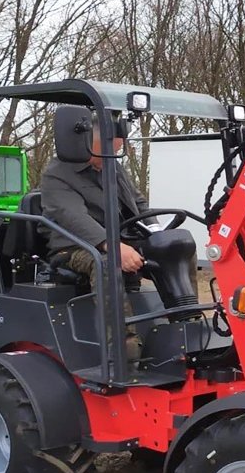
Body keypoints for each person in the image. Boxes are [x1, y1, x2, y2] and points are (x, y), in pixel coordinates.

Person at [39, 118, 157, 362]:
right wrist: (115, 247)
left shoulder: (111, 167)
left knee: (177, 245)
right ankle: (123, 347)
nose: (111, 157)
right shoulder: (57, 175)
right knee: (105, 263)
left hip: (119, 239)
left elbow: (137, 202)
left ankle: (183, 326)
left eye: (115, 151)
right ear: (85, 145)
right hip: (73, 248)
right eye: (106, 152)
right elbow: (74, 219)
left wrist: (156, 231)